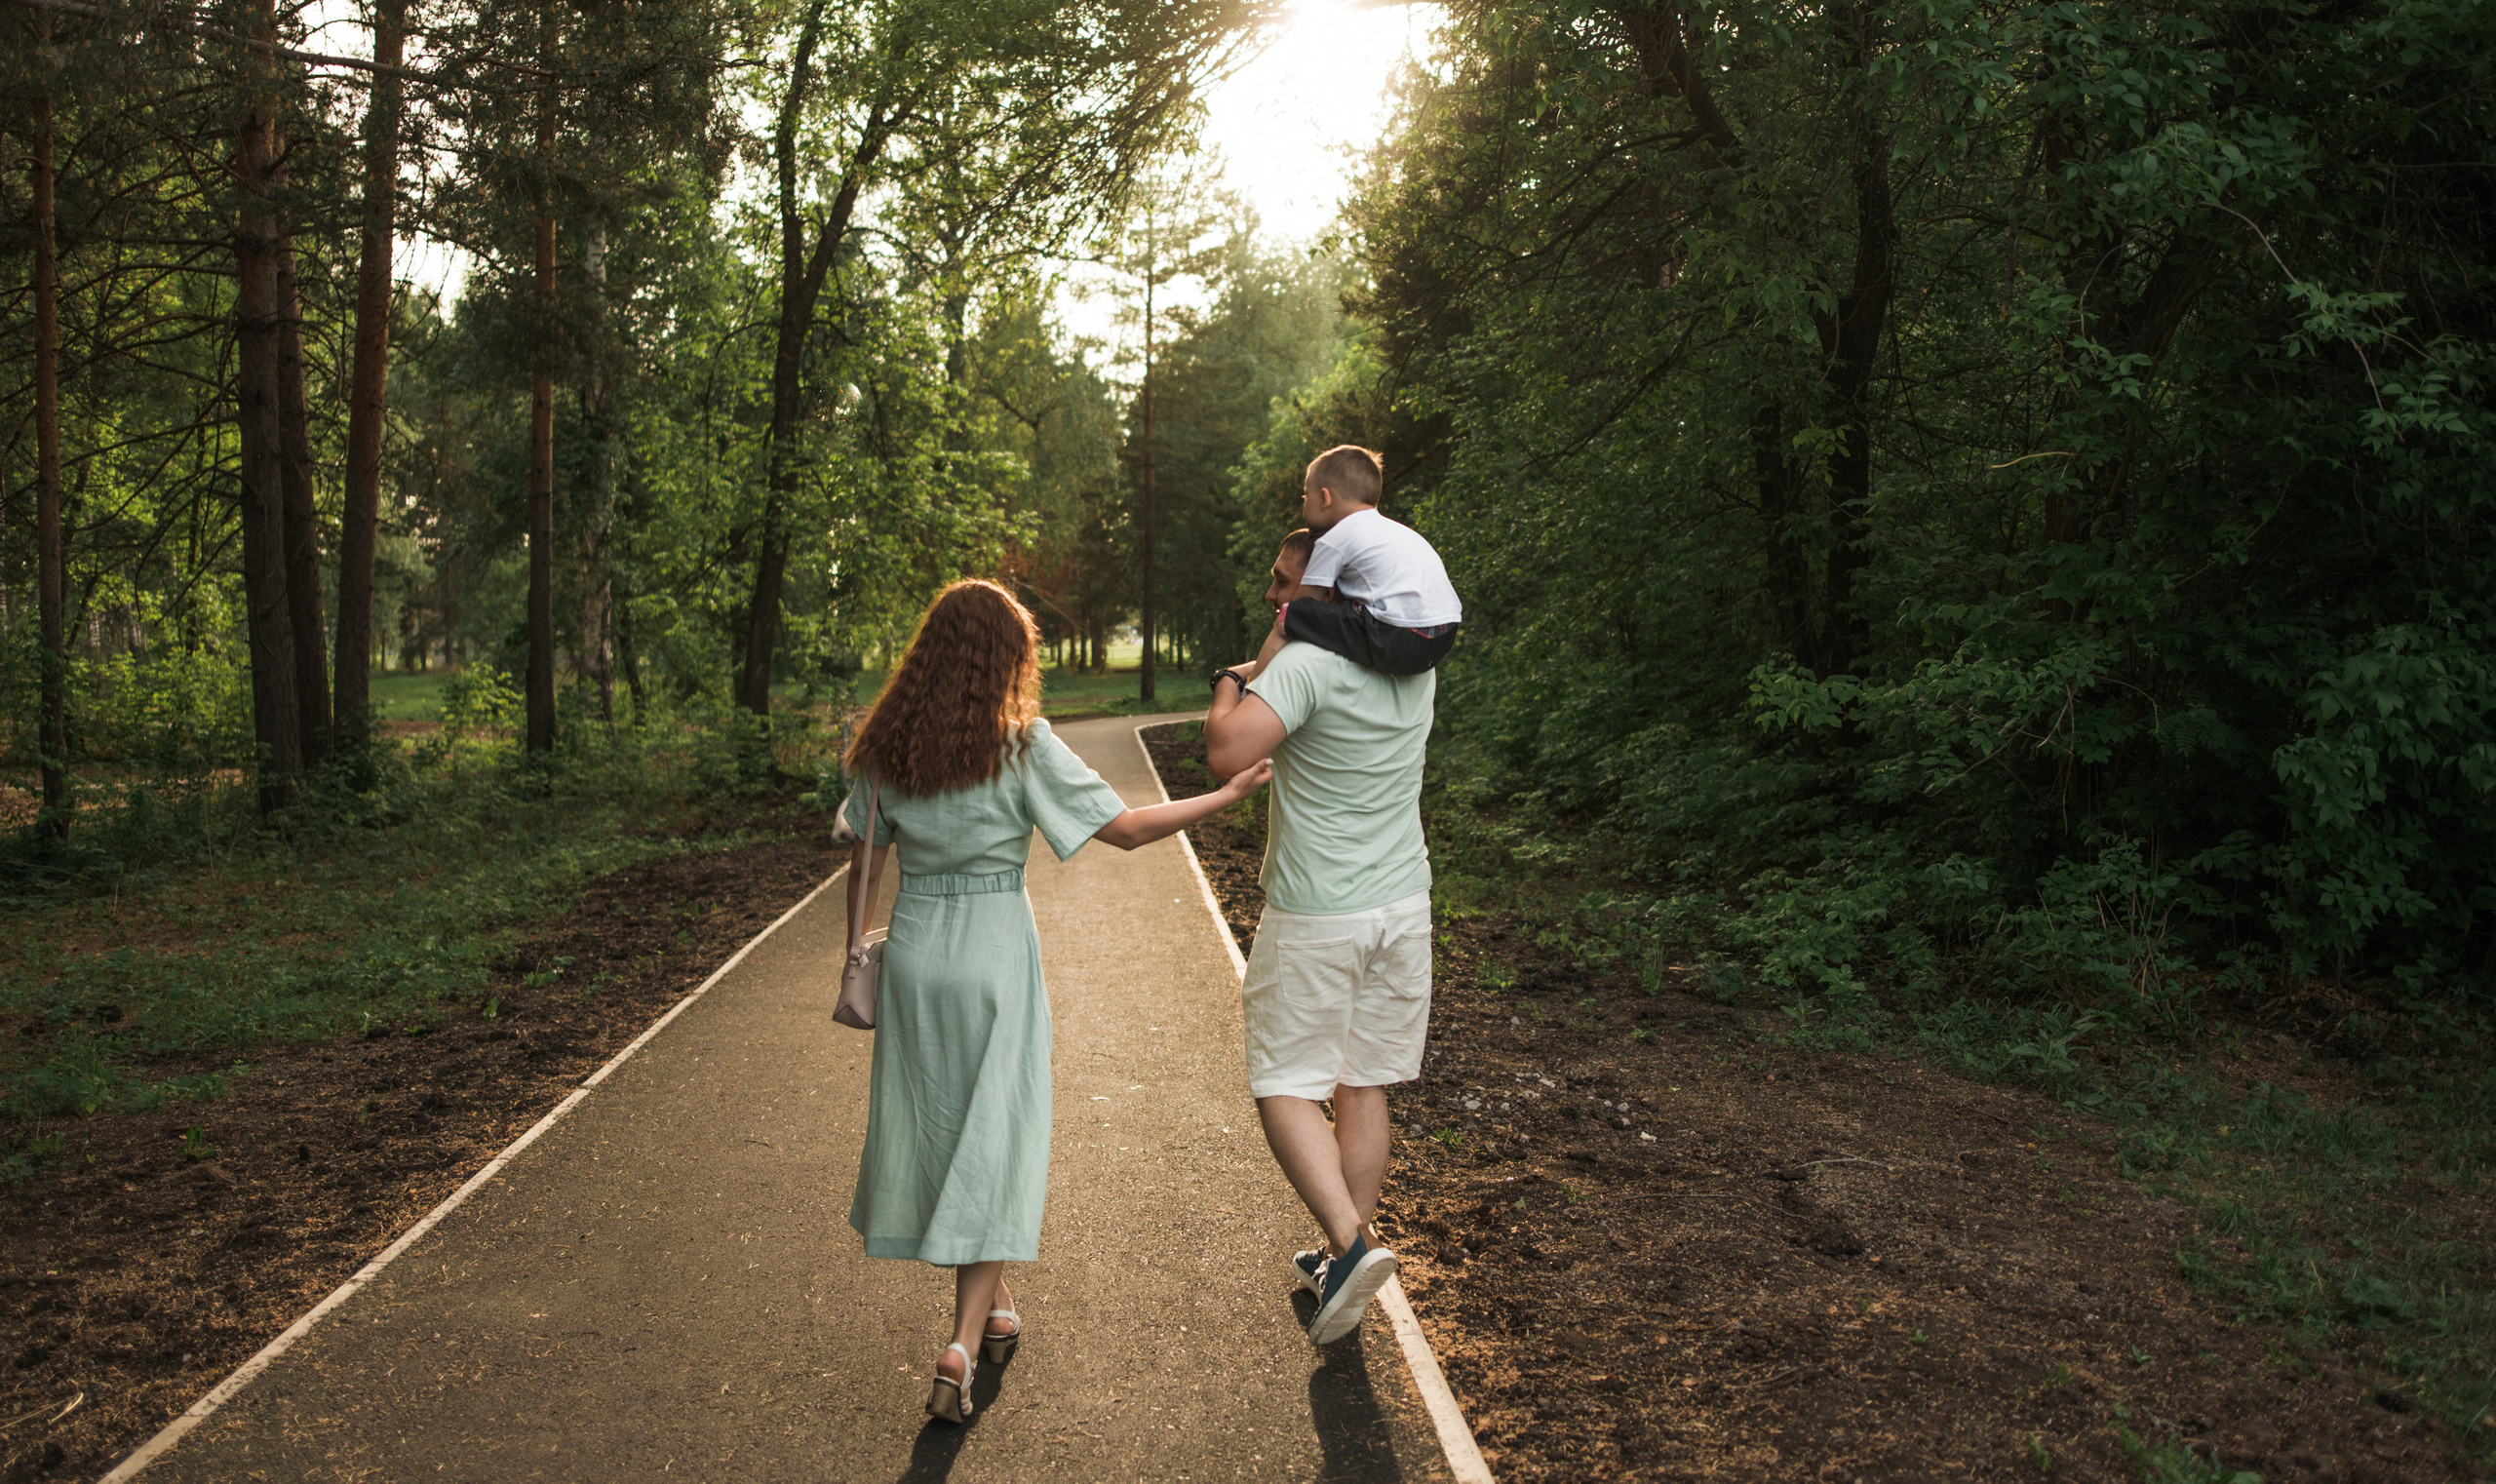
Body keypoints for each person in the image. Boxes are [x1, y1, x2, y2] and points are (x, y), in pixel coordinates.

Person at [835, 579, 1271, 1423]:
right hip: (995, 948)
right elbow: (1126, 827)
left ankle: (995, 1307)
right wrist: (1225, 795)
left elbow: (863, 853)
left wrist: (854, 950)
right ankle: (961, 1345)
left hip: (918, 945)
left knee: (943, 1124)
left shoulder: (888, 747)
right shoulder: (1019, 744)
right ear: (1007, 658)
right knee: (995, 1136)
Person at [1204, 527, 1438, 1346]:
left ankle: (1350, 1245)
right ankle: (1345, 1262)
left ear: (1328, 587)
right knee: (1363, 1081)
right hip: (1402, 906)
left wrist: (1242, 671)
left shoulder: (1303, 666)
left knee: (1284, 1082)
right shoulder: (1416, 667)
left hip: (1319, 914)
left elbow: (1224, 749)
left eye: (1285, 583)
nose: (1274, 595)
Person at [1249, 445, 1462, 678]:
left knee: (1290, 617)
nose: (1304, 502)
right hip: (1443, 636)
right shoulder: (1397, 531)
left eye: (1305, 495)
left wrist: (1291, 620)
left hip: (1400, 637)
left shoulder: (1334, 538)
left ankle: (1253, 687)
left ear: (1324, 497)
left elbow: (1304, 604)